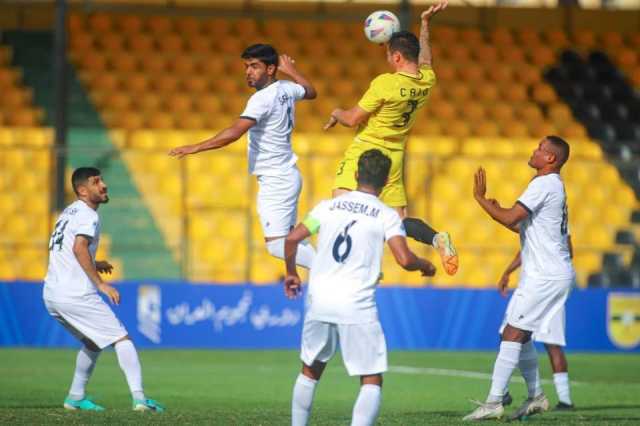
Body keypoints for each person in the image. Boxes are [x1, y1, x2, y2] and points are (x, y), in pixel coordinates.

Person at [283, 149, 437, 426]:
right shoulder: (386, 215)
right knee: (371, 378)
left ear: (356, 175)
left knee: (310, 370)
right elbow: (404, 259)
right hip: (356, 303)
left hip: (319, 299)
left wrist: (291, 273)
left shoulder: (327, 207)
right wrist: (424, 265)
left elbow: (292, 239)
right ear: (387, 180)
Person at [323, 1, 458, 276]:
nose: (386, 58)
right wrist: (424, 24)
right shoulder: (426, 80)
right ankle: (436, 239)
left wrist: (336, 112)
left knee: (341, 205)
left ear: (397, 57)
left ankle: (361, 263)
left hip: (367, 150)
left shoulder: (385, 83)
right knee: (397, 222)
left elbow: (352, 119)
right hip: (395, 155)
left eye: (388, 53)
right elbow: (426, 60)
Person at [169, 44, 317, 268]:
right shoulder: (287, 87)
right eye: (246, 66)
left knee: (277, 246)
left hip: (276, 179)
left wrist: (196, 147)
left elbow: (234, 132)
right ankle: (337, 266)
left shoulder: (261, 99)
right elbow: (311, 92)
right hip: (287, 175)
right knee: (293, 240)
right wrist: (292, 72)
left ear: (270, 69)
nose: (248, 72)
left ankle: (334, 272)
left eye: (254, 66)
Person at [464, 136, 574, 421]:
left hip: (546, 275)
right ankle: (536, 396)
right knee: (515, 335)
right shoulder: (554, 186)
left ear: (551, 159)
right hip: (545, 273)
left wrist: (480, 201)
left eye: (540, 148)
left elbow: (510, 218)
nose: (534, 151)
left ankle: (494, 402)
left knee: (513, 333)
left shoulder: (543, 184)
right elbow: (528, 229)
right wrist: (497, 210)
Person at [43, 167, 164, 412]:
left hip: (52, 294)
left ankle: (75, 397)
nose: (104, 185)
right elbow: (78, 248)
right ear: (83, 190)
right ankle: (140, 399)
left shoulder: (68, 212)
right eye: (96, 182)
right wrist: (100, 283)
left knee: (93, 343)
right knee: (122, 338)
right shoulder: (89, 215)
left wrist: (95, 263)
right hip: (75, 294)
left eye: (102, 180)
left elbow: (66, 250)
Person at [499, 250, 575, 411]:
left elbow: (568, 249)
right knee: (508, 335)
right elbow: (527, 246)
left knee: (550, 344)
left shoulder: (549, 225)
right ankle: (506, 392)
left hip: (545, 285)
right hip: (535, 286)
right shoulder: (541, 228)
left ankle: (564, 399)